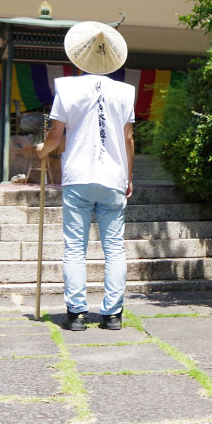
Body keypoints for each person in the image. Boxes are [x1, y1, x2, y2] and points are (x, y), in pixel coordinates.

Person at [35, 21, 135, 331]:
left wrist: (42, 151)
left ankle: (77, 314)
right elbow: (129, 139)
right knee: (114, 247)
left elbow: (55, 133)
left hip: (78, 176)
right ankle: (112, 314)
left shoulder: (66, 86)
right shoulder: (126, 91)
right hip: (114, 177)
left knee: (75, 248)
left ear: (79, 55)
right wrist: (129, 176)